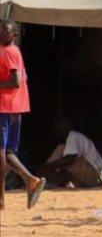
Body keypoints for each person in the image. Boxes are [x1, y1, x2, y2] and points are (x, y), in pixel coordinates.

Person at [0, 20, 46, 211]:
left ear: (14, 35)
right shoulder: (13, 51)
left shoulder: (9, 51)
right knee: (8, 152)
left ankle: (9, 191)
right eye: (1, 30)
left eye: (6, 31)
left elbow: (16, 81)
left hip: (5, 106)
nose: (2, 33)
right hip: (15, 107)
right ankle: (29, 181)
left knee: (2, 153)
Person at [41, 118, 102, 188]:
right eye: (56, 131)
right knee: (61, 151)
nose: (58, 134)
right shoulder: (70, 140)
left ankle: (45, 177)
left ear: (67, 127)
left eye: (59, 130)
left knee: (67, 161)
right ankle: (48, 178)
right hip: (93, 175)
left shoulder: (73, 136)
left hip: (96, 176)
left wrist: (48, 166)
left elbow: (69, 159)